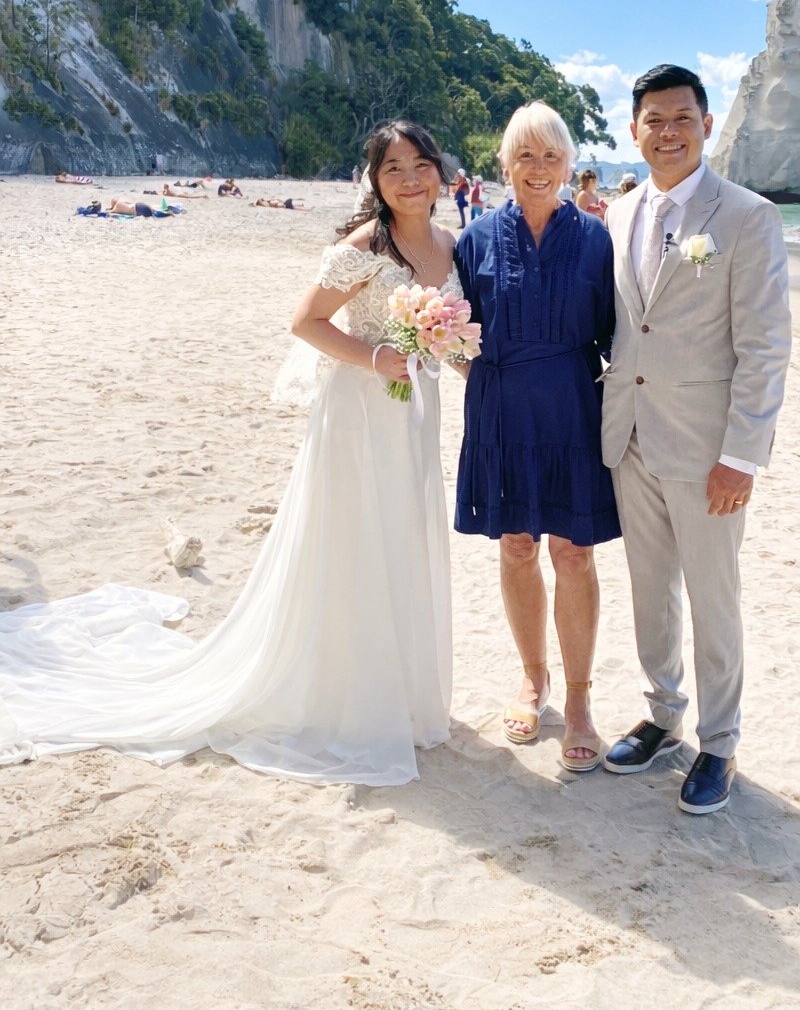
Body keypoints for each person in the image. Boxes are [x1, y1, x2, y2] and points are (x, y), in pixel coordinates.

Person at [0, 121, 460, 786]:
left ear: (439, 172)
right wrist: (376, 358)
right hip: (358, 413)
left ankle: (400, 690)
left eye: (421, 164)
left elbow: (455, 336)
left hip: (413, 413)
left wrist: (450, 351)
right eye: (394, 168)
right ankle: (349, 695)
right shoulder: (366, 245)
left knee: (403, 537)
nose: (410, 179)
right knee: (356, 541)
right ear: (376, 180)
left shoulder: (451, 244)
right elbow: (305, 322)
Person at [600, 65, 791, 814]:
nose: (669, 131)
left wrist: (741, 456)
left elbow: (765, 347)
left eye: (683, 117)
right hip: (630, 437)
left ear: (707, 126)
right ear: (635, 130)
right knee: (650, 591)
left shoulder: (747, 216)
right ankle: (662, 715)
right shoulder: (618, 213)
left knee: (715, 599)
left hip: (708, 448)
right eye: (655, 119)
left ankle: (720, 742)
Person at [455, 101, 620, 773]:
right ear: (505, 164)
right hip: (500, 409)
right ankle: (533, 678)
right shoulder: (474, 240)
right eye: (525, 154)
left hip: (572, 407)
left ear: (569, 165)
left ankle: (578, 698)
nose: (539, 167)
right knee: (517, 546)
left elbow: (616, 334)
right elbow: (456, 330)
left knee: (574, 552)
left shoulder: (595, 239)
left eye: (552, 155)